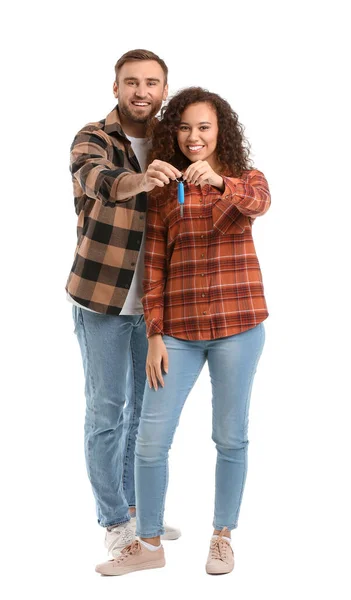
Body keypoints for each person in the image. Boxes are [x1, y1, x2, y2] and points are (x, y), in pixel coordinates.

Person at [95, 87, 271, 576]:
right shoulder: (162, 190)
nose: (194, 137)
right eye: (186, 127)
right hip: (179, 332)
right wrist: (154, 334)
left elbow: (260, 202)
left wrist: (217, 182)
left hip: (240, 327)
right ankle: (148, 543)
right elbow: (153, 266)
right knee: (151, 440)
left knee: (230, 437)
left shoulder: (244, 179)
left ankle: (222, 536)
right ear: (175, 133)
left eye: (205, 127)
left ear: (221, 132)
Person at [66, 49, 181, 558]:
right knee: (108, 413)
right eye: (131, 82)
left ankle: (138, 512)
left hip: (155, 309)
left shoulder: (171, 141)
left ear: (162, 90)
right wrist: (144, 179)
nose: (141, 91)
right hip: (102, 303)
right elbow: (101, 181)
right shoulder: (94, 137)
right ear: (116, 88)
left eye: (151, 83)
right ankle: (114, 522)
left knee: (145, 413)